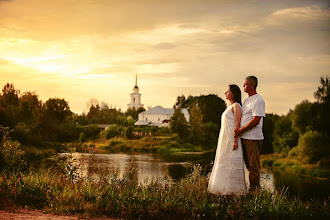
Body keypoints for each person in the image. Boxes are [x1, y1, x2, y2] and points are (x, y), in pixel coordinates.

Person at [208, 84, 247, 195]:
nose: (225, 93)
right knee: (224, 162)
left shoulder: (236, 106)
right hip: (224, 139)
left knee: (232, 163)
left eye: (227, 91)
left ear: (233, 93)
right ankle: (223, 190)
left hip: (232, 140)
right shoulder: (228, 107)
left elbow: (236, 125)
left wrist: (235, 140)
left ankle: (234, 191)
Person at [234, 76, 265, 191]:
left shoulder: (258, 100)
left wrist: (241, 130)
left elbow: (256, 120)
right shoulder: (247, 100)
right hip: (245, 137)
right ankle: (252, 188)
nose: (243, 86)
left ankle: (255, 190)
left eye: (245, 84)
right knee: (248, 166)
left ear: (252, 85)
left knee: (253, 166)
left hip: (253, 138)